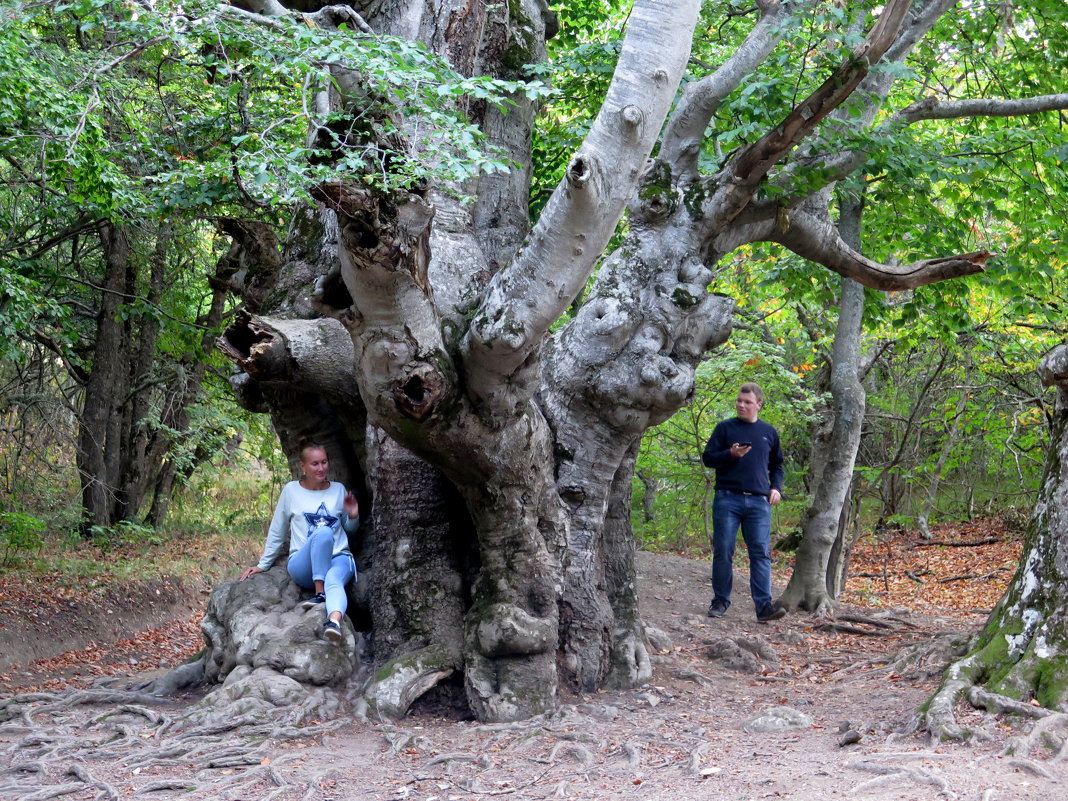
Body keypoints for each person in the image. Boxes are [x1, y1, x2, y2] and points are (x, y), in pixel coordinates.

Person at [241, 441, 360, 643]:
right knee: (322, 532)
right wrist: (263, 564)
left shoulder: (338, 490)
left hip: (338, 558)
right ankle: (319, 592)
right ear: (302, 466)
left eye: (324, 462)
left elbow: (350, 531)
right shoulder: (291, 491)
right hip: (304, 565)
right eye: (315, 464)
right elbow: (277, 530)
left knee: (335, 580)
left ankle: (334, 622)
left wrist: (353, 515)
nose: (321, 468)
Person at [701, 382, 786, 623]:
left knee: (760, 554)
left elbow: (777, 465)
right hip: (728, 498)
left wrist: (776, 488)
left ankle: (764, 607)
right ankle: (720, 601)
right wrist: (730, 454)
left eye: (747, 402)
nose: (741, 405)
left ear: (758, 405)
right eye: (739, 400)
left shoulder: (768, 432)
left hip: (759, 502)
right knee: (724, 551)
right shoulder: (724, 428)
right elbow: (708, 458)